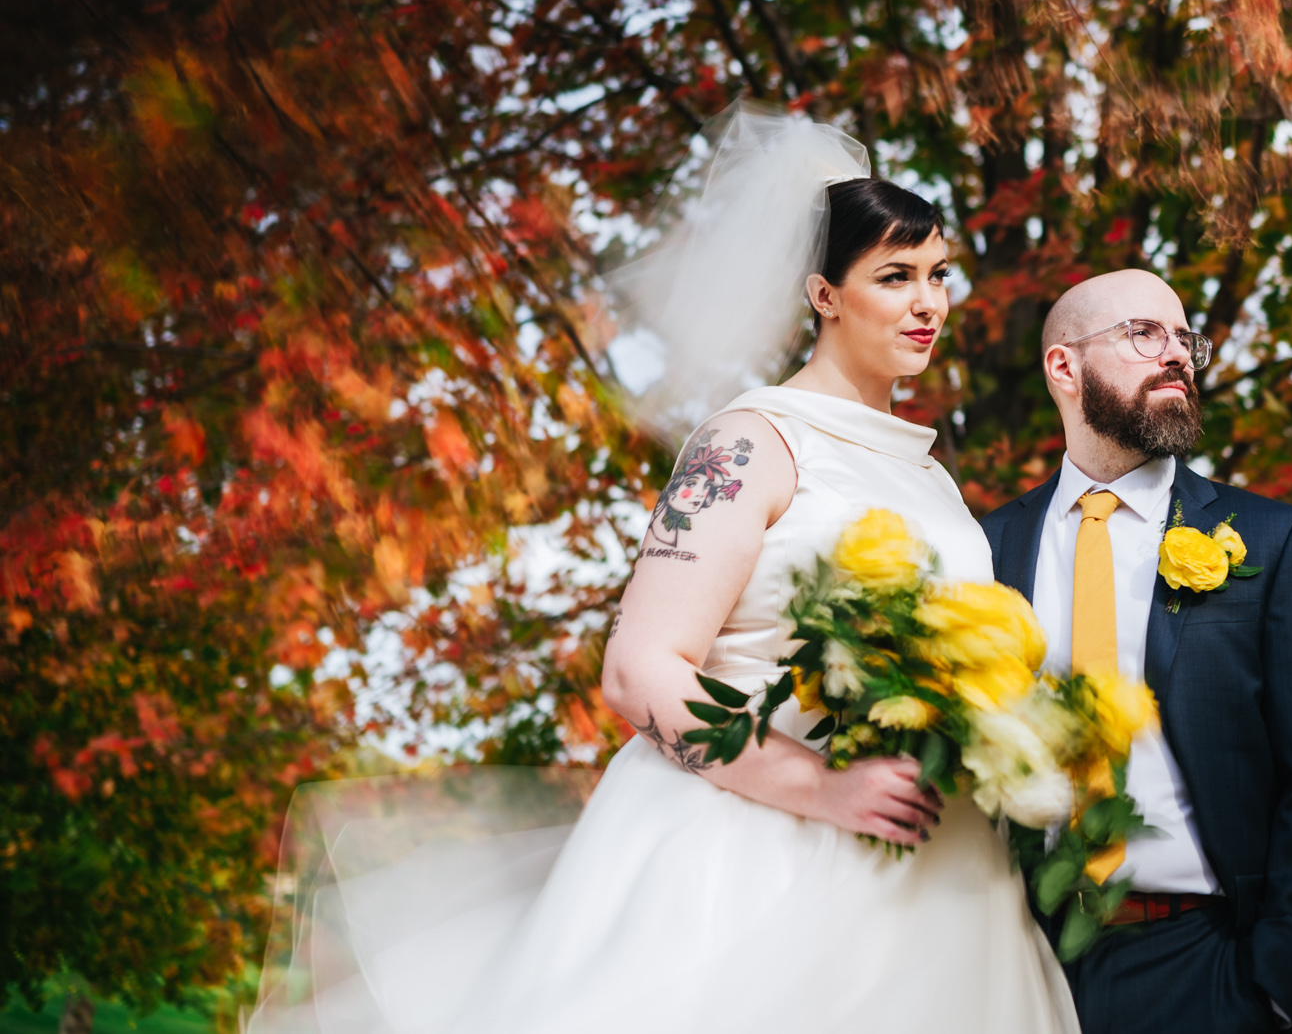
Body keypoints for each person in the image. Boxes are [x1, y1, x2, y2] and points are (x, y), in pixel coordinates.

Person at [249, 106, 1078, 1034]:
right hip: (761, 858)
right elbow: (638, 669)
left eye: (938, 276)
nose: (929, 303)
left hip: (945, 879)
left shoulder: (929, 475)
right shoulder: (749, 442)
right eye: (895, 277)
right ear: (824, 294)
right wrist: (823, 784)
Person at [980, 269, 1292, 1034]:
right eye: (1144, 334)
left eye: (1186, 338)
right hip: (1024, 970)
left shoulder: (1275, 540)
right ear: (1064, 368)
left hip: (1214, 965)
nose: (1178, 354)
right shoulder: (984, 549)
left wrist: (1271, 987)